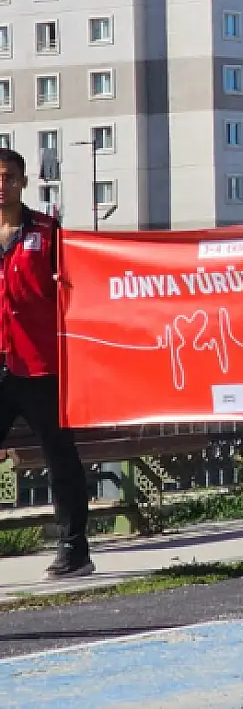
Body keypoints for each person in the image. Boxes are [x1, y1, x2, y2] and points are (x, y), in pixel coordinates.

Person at [0, 149, 92, 579]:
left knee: (60, 458)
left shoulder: (48, 232)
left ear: (23, 181)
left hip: (39, 364)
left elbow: (78, 289)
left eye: (9, 177)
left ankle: (74, 550)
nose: (2, 185)